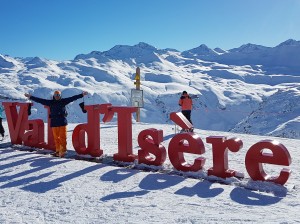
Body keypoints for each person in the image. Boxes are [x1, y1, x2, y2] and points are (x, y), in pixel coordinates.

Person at [24, 90, 88, 157]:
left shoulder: (63, 101)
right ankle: (57, 151)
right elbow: (40, 100)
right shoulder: (50, 102)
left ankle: (63, 151)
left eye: (58, 95)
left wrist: (82, 95)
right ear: (54, 96)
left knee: (63, 137)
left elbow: (72, 98)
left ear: (60, 96)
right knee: (56, 138)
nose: (57, 96)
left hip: (62, 122)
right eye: (56, 95)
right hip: (54, 122)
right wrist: (30, 97)